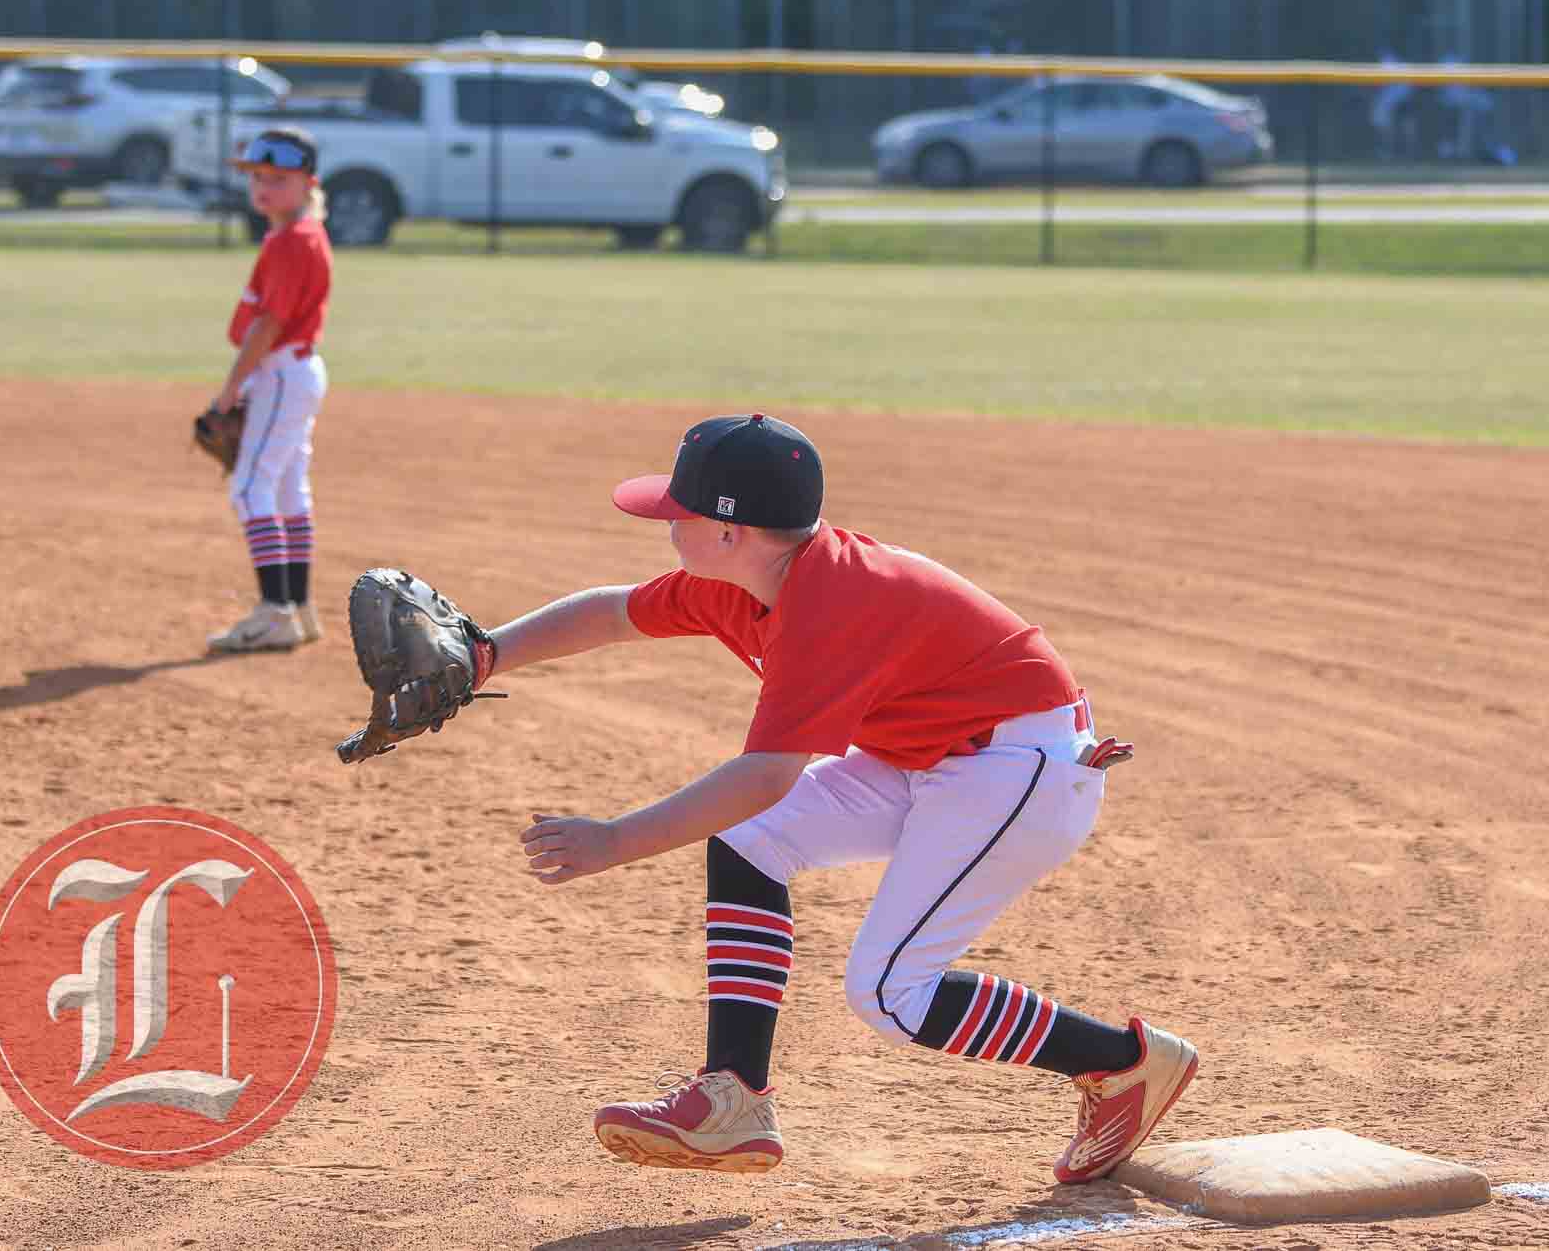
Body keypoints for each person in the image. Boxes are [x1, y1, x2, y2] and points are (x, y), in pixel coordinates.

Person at [505, 413, 1197, 1180]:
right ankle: (733, 1099)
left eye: (682, 512)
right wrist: (484, 653)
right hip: (939, 754)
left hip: (1018, 766)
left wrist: (614, 840)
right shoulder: (746, 583)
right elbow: (610, 611)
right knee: (750, 840)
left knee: (891, 991)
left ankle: (1120, 1061)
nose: (667, 524)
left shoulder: (828, 599)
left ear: (734, 533)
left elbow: (766, 772)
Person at [205, 128, 332, 653]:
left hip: (280, 371)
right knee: (285, 490)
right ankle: (297, 607)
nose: (263, 188)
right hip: (296, 372)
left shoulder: (290, 240)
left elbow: (268, 325)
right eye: (257, 178)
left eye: (278, 179)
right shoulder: (299, 233)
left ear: (308, 183)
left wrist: (228, 391)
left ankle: (276, 610)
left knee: (250, 488)